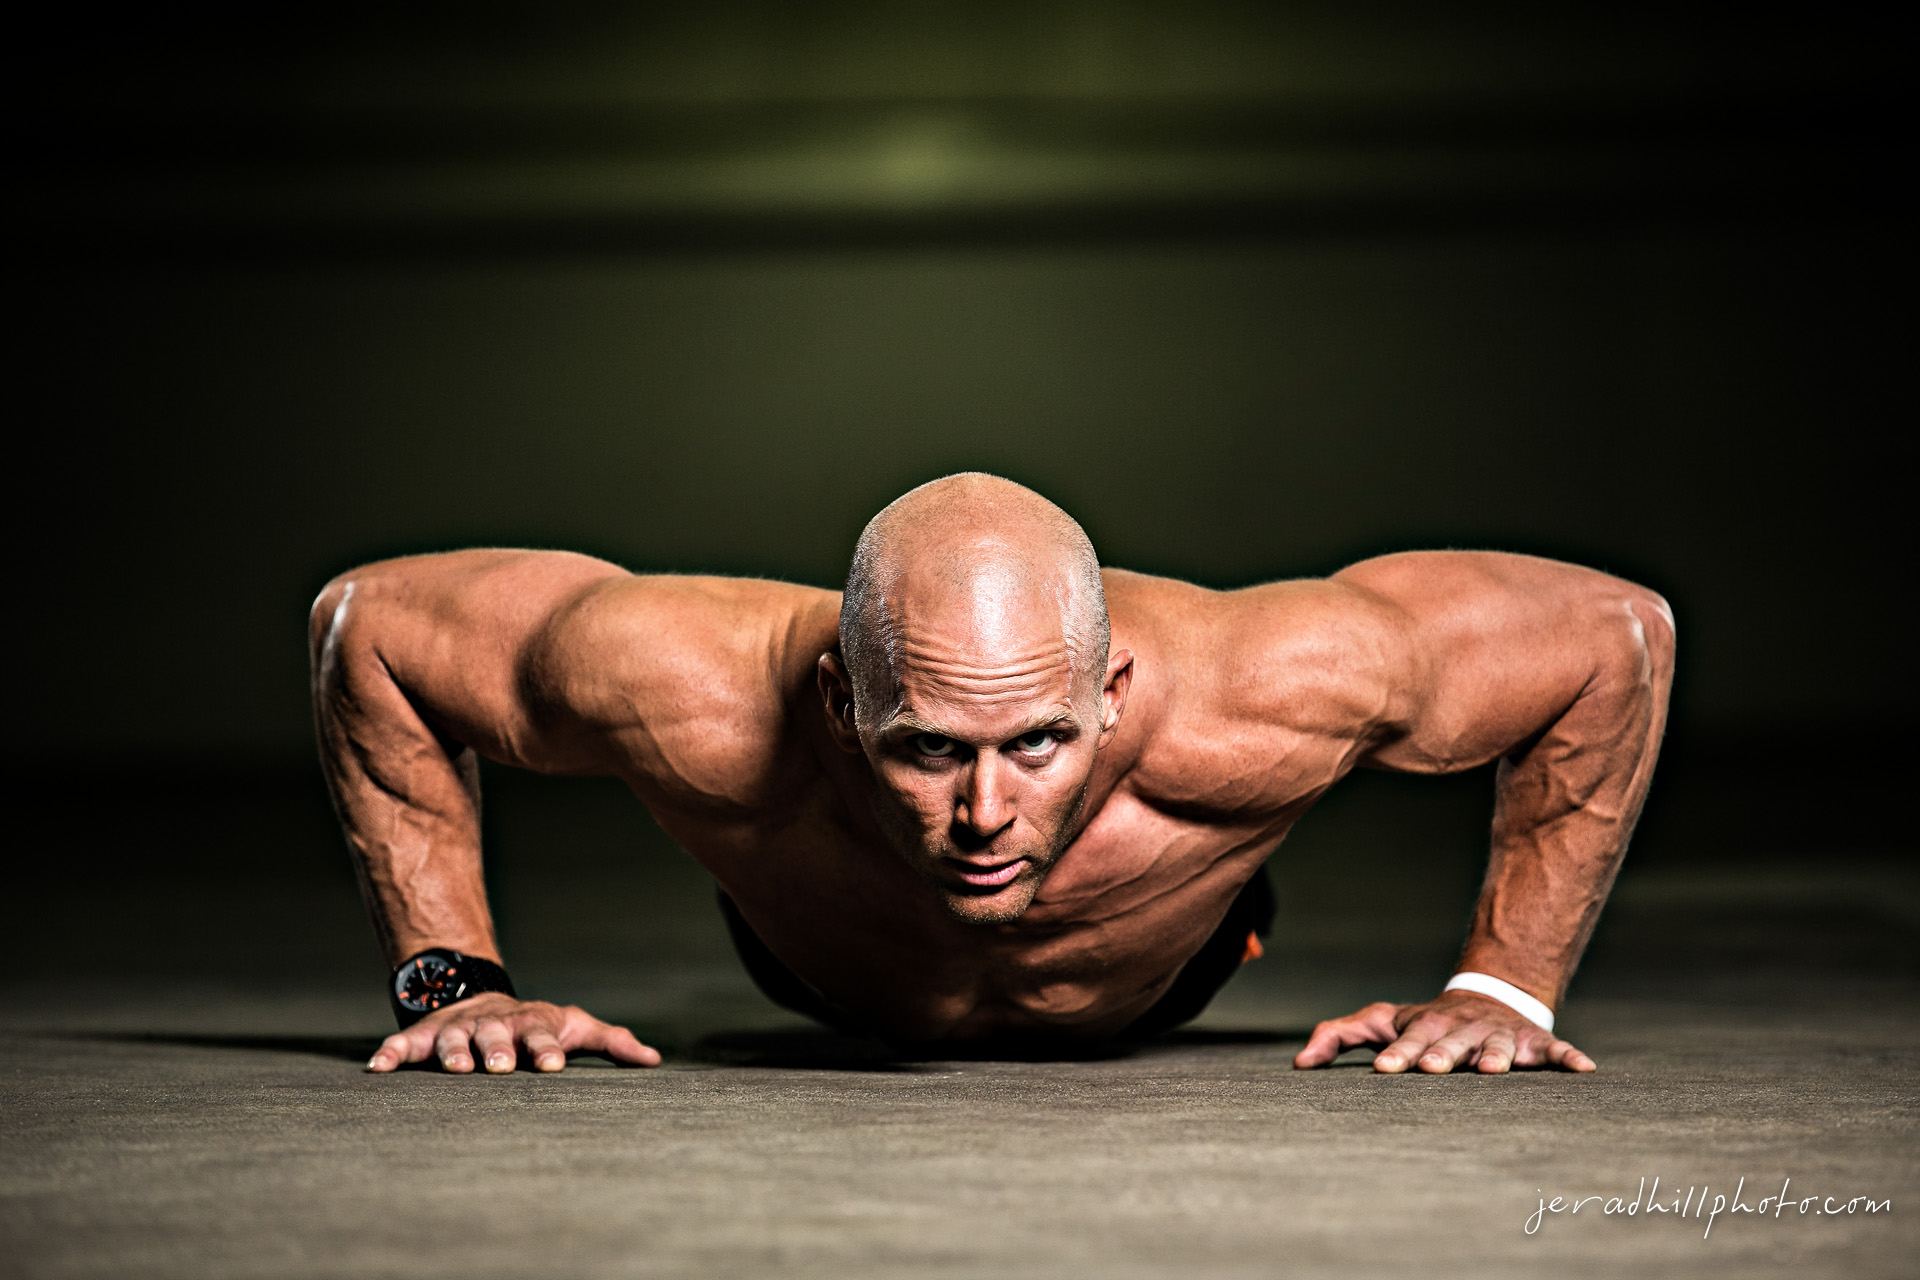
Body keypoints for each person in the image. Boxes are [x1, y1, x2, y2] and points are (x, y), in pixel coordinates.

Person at [311, 473, 1672, 1077]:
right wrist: (452, 988)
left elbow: (1613, 639)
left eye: (1038, 743)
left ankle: (1221, 911)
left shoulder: (1276, 681)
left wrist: (1502, 992)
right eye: (925, 750)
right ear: (841, 705)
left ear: (1113, 690)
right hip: (822, 959)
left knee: (1214, 902)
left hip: (1168, 957)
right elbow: (369, 631)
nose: (982, 814)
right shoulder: (680, 678)